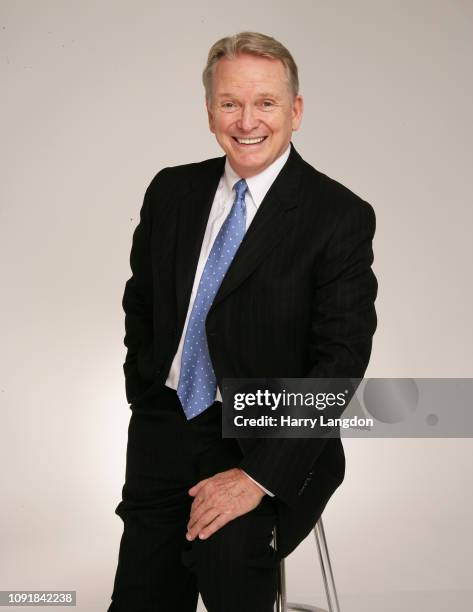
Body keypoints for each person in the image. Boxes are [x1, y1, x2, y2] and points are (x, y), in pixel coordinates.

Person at [108, 31, 377, 612]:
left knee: (228, 563)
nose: (247, 120)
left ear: (295, 111)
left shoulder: (338, 216)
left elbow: (341, 362)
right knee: (142, 595)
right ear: (210, 112)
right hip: (168, 425)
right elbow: (141, 303)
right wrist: (147, 390)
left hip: (269, 437)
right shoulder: (172, 191)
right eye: (230, 102)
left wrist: (258, 476)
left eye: (266, 103)